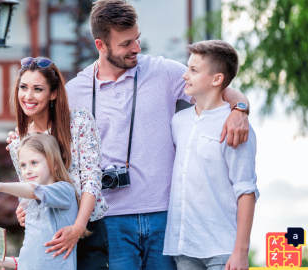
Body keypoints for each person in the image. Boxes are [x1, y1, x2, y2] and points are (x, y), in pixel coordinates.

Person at [55, 0, 252, 269]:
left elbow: (218, 86)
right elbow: (58, 154)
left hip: (166, 218)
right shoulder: (75, 91)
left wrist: (240, 109)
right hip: (109, 219)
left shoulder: (165, 72)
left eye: (137, 38)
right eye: (125, 44)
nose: (136, 48)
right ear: (101, 45)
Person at [163, 40, 259, 270]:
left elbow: (246, 190)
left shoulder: (235, 126)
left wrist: (240, 252)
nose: (185, 75)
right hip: (183, 248)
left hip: (222, 251)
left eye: (193, 70)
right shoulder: (178, 122)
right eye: (188, 68)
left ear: (217, 79)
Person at [8, 57, 109, 269]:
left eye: (38, 89)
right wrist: (24, 207)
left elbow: (91, 180)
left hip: (87, 229)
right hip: (50, 237)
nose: (28, 96)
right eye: (23, 87)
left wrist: (78, 228)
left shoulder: (79, 122)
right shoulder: (19, 142)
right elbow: (31, 187)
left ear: (53, 93)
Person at [0, 133, 80, 270]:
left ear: (55, 164)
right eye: (23, 165)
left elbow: (35, 191)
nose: (28, 171)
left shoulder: (64, 190)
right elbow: (31, 257)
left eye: (34, 163)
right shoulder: (30, 201)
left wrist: (1, 186)